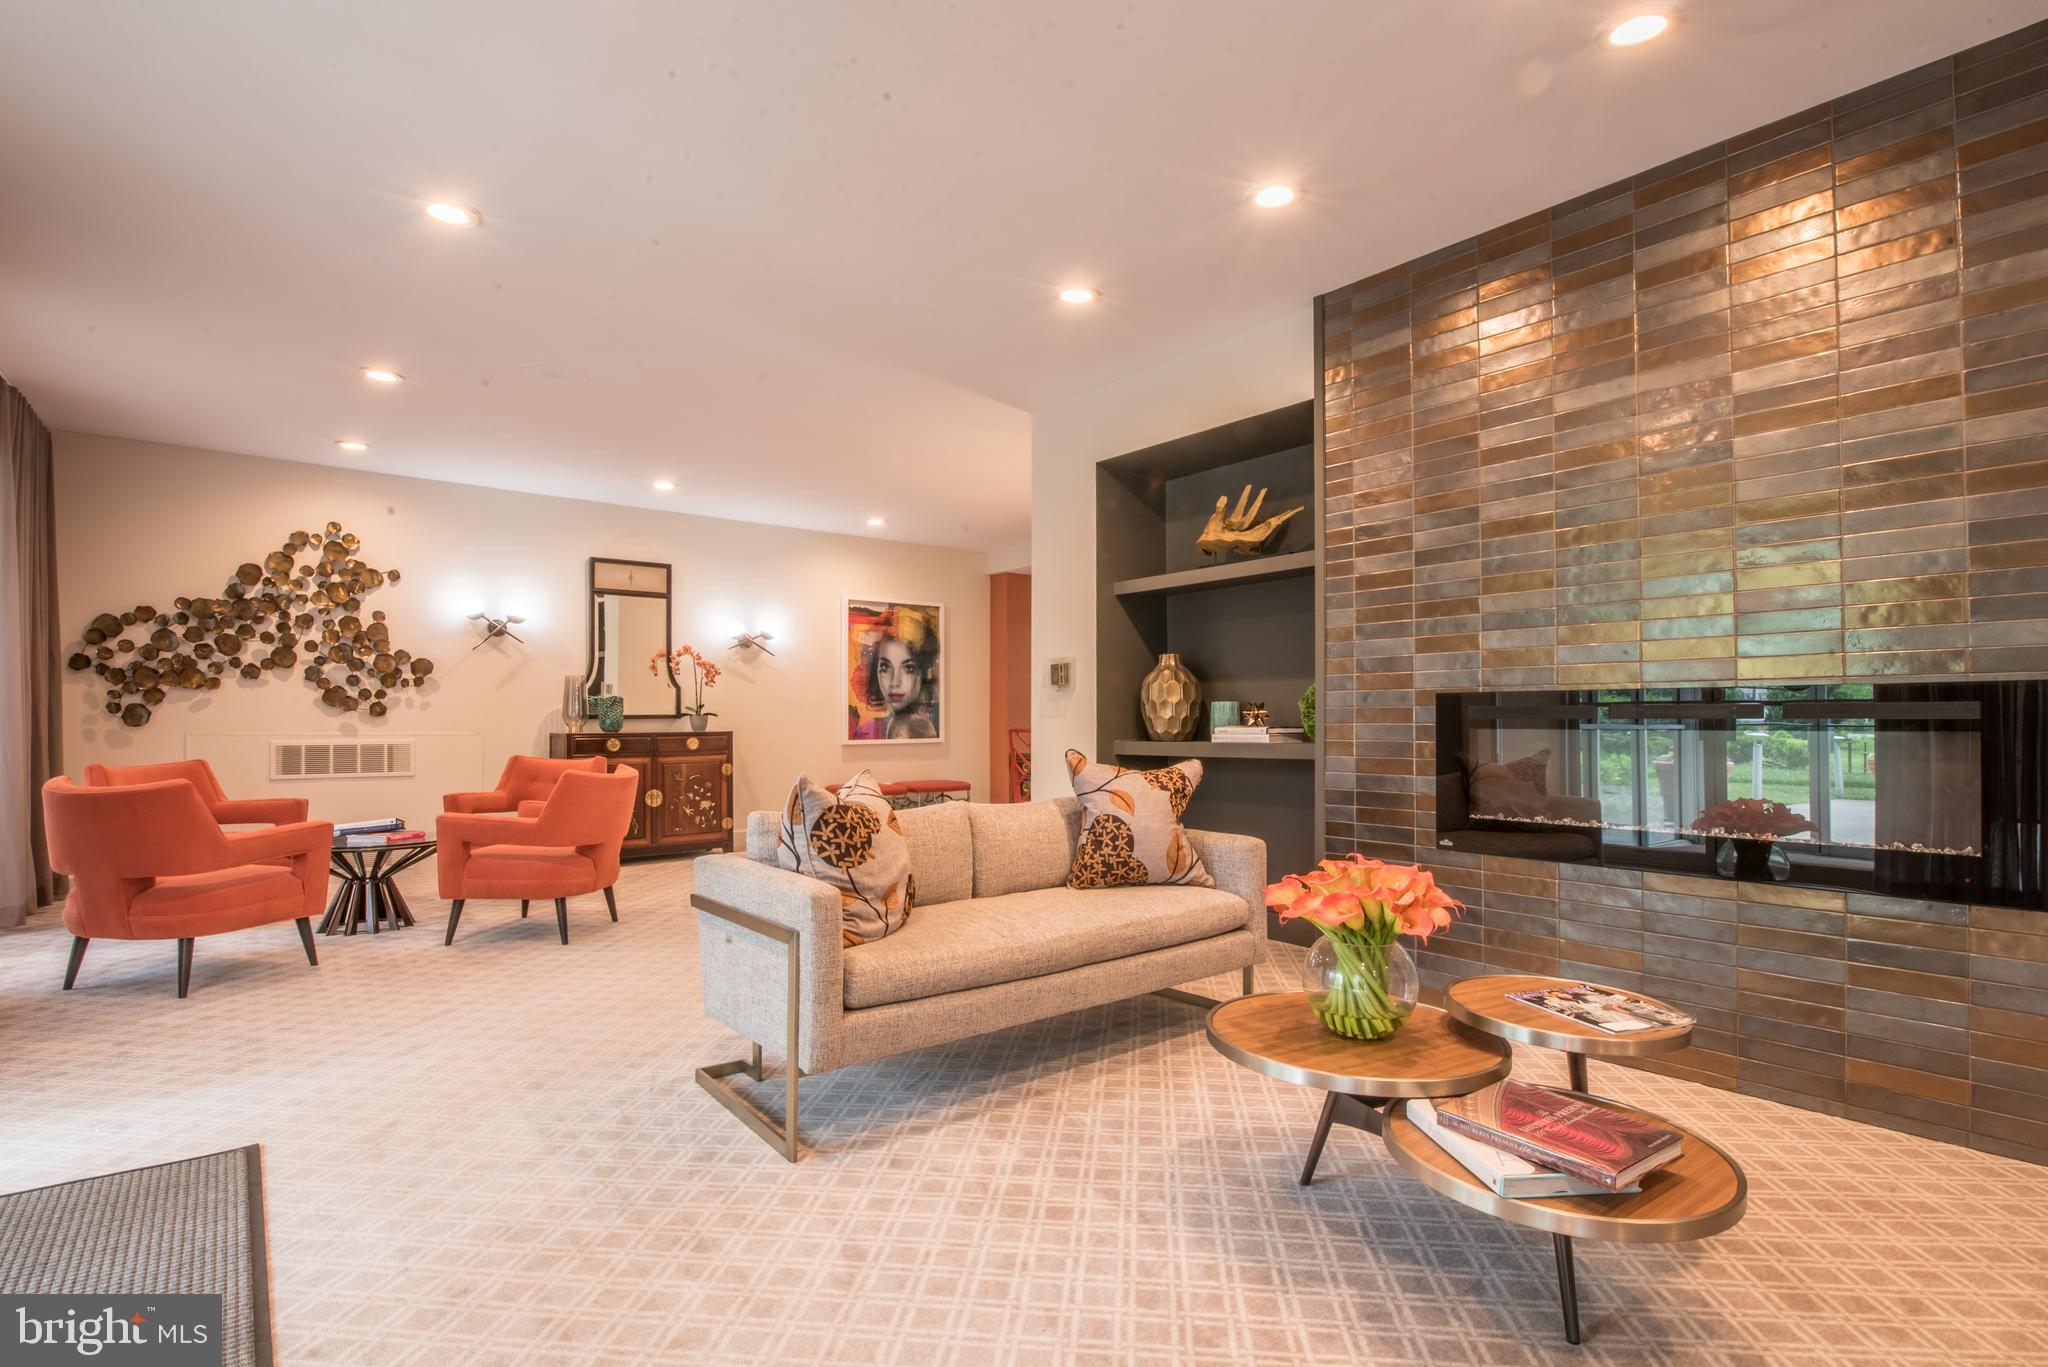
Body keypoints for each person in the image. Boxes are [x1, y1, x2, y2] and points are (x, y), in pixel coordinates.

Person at [850, 606, 939, 740]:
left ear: (922, 671)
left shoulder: (925, 729)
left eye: (908, 668)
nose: (895, 682)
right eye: (885, 667)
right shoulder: (867, 728)